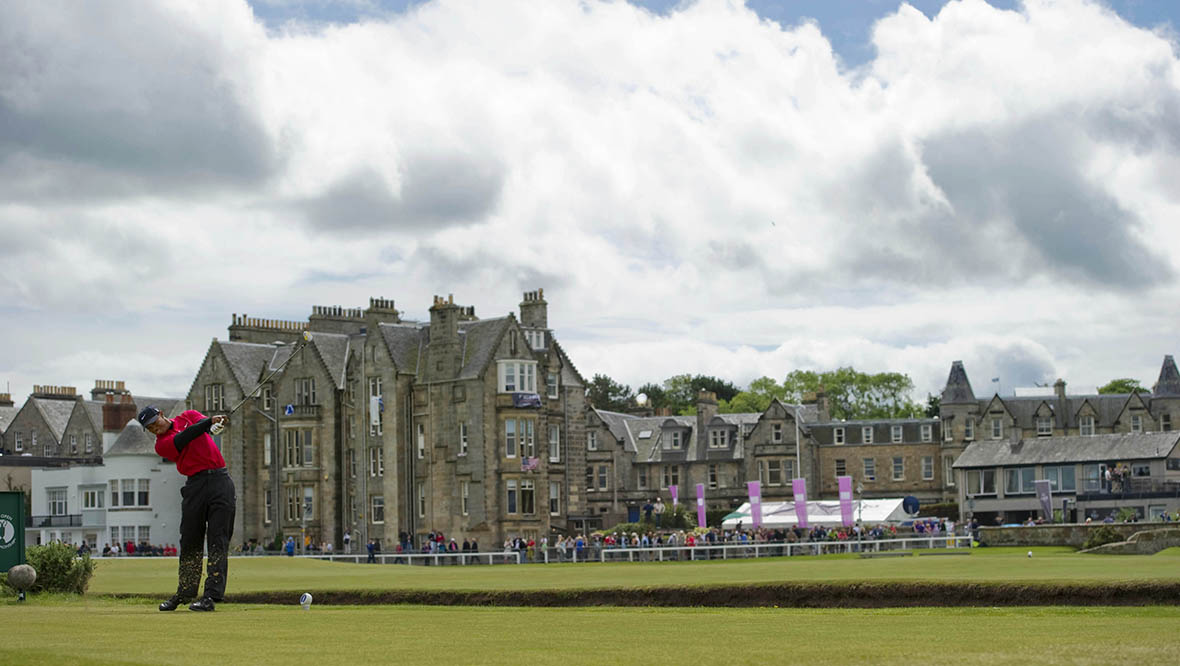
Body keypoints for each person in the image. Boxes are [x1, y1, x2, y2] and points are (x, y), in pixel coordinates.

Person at [139, 405, 234, 612]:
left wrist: (215, 424)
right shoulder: (162, 445)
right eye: (150, 428)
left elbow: (203, 426)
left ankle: (211, 596)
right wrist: (208, 423)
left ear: (162, 414)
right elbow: (185, 438)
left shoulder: (188, 416)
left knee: (218, 538)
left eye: (155, 423)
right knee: (190, 539)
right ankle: (184, 593)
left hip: (220, 480)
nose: (155, 429)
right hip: (195, 485)